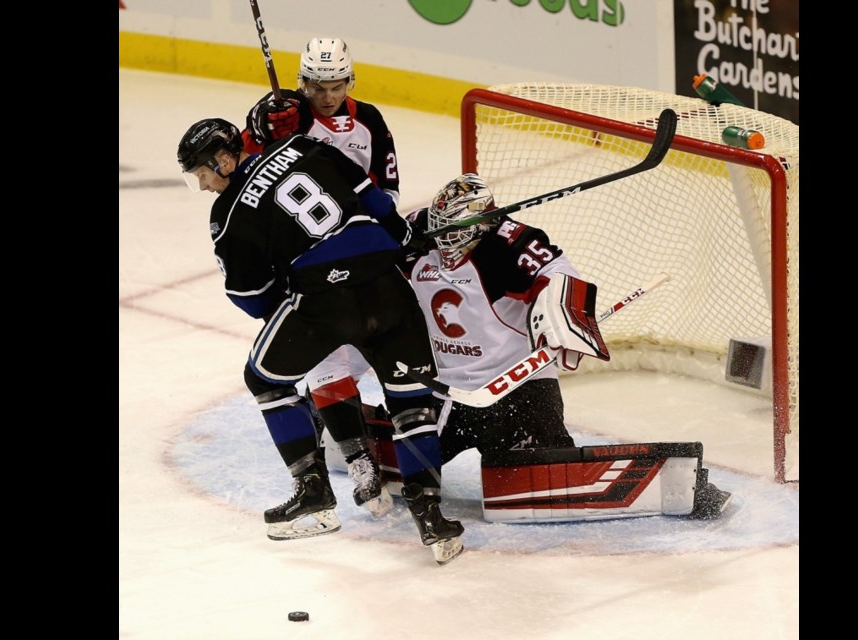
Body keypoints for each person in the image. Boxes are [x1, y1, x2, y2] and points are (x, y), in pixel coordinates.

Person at [176, 117, 464, 564]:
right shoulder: (305, 145)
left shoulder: (229, 213)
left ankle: (314, 495)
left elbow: (253, 300)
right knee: (412, 402)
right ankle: (431, 516)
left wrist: (303, 306)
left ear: (225, 158)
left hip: (325, 300)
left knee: (265, 380)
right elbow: (374, 198)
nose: (205, 185)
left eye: (202, 173)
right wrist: (400, 238)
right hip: (388, 285)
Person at [242, 37, 400, 516]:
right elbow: (247, 178)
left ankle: (393, 436)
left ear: (349, 81)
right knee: (326, 358)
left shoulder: (368, 120)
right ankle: (359, 463)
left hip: (359, 252)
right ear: (301, 82)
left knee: (382, 345)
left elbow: (388, 190)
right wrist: (259, 132)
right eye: (317, 86)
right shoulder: (280, 116)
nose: (327, 96)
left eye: (336, 86)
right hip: (304, 265)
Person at [401, 173, 600, 465]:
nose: (442, 238)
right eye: (438, 227)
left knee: (541, 477)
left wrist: (564, 322)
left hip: (517, 387)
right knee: (409, 471)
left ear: (482, 224)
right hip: (446, 390)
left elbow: (561, 275)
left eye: (452, 230)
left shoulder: (510, 245)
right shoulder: (415, 233)